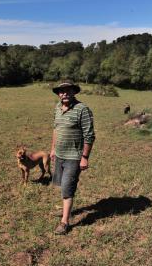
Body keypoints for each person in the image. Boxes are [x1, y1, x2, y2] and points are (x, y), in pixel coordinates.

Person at [50, 81, 95, 235]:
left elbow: (89, 136)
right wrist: (53, 149)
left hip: (74, 157)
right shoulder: (57, 108)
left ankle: (64, 222)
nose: (64, 93)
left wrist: (85, 157)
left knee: (67, 188)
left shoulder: (82, 109)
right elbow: (56, 129)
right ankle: (66, 210)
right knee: (63, 185)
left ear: (74, 92)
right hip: (60, 154)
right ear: (58, 94)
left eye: (68, 90)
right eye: (61, 91)